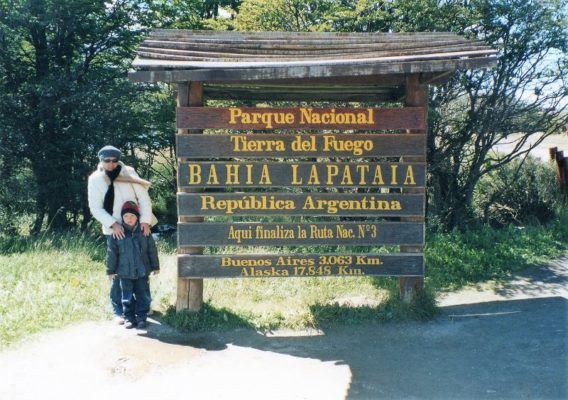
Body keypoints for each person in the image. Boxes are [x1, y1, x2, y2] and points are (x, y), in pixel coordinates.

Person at [87, 145, 153, 323]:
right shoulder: (95, 179)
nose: (111, 164)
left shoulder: (129, 172)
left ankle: (143, 308)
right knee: (117, 271)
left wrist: (145, 221)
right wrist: (113, 224)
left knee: (141, 267)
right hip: (114, 230)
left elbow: (144, 198)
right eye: (107, 161)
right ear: (101, 160)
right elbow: (95, 207)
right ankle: (119, 310)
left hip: (136, 227)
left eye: (114, 160)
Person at [106, 201, 159, 329]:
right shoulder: (117, 233)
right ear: (122, 217)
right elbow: (112, 253)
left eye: (132, 216)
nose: (129, 219)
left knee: (143, 295)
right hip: (124, 273)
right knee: (127, 297)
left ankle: (141, 317)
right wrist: (110, 270)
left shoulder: (144, 232)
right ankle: (128, 317)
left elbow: (152, 250)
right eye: (126, 216)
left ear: (138, 217)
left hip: (142, 271)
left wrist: (155, 266)